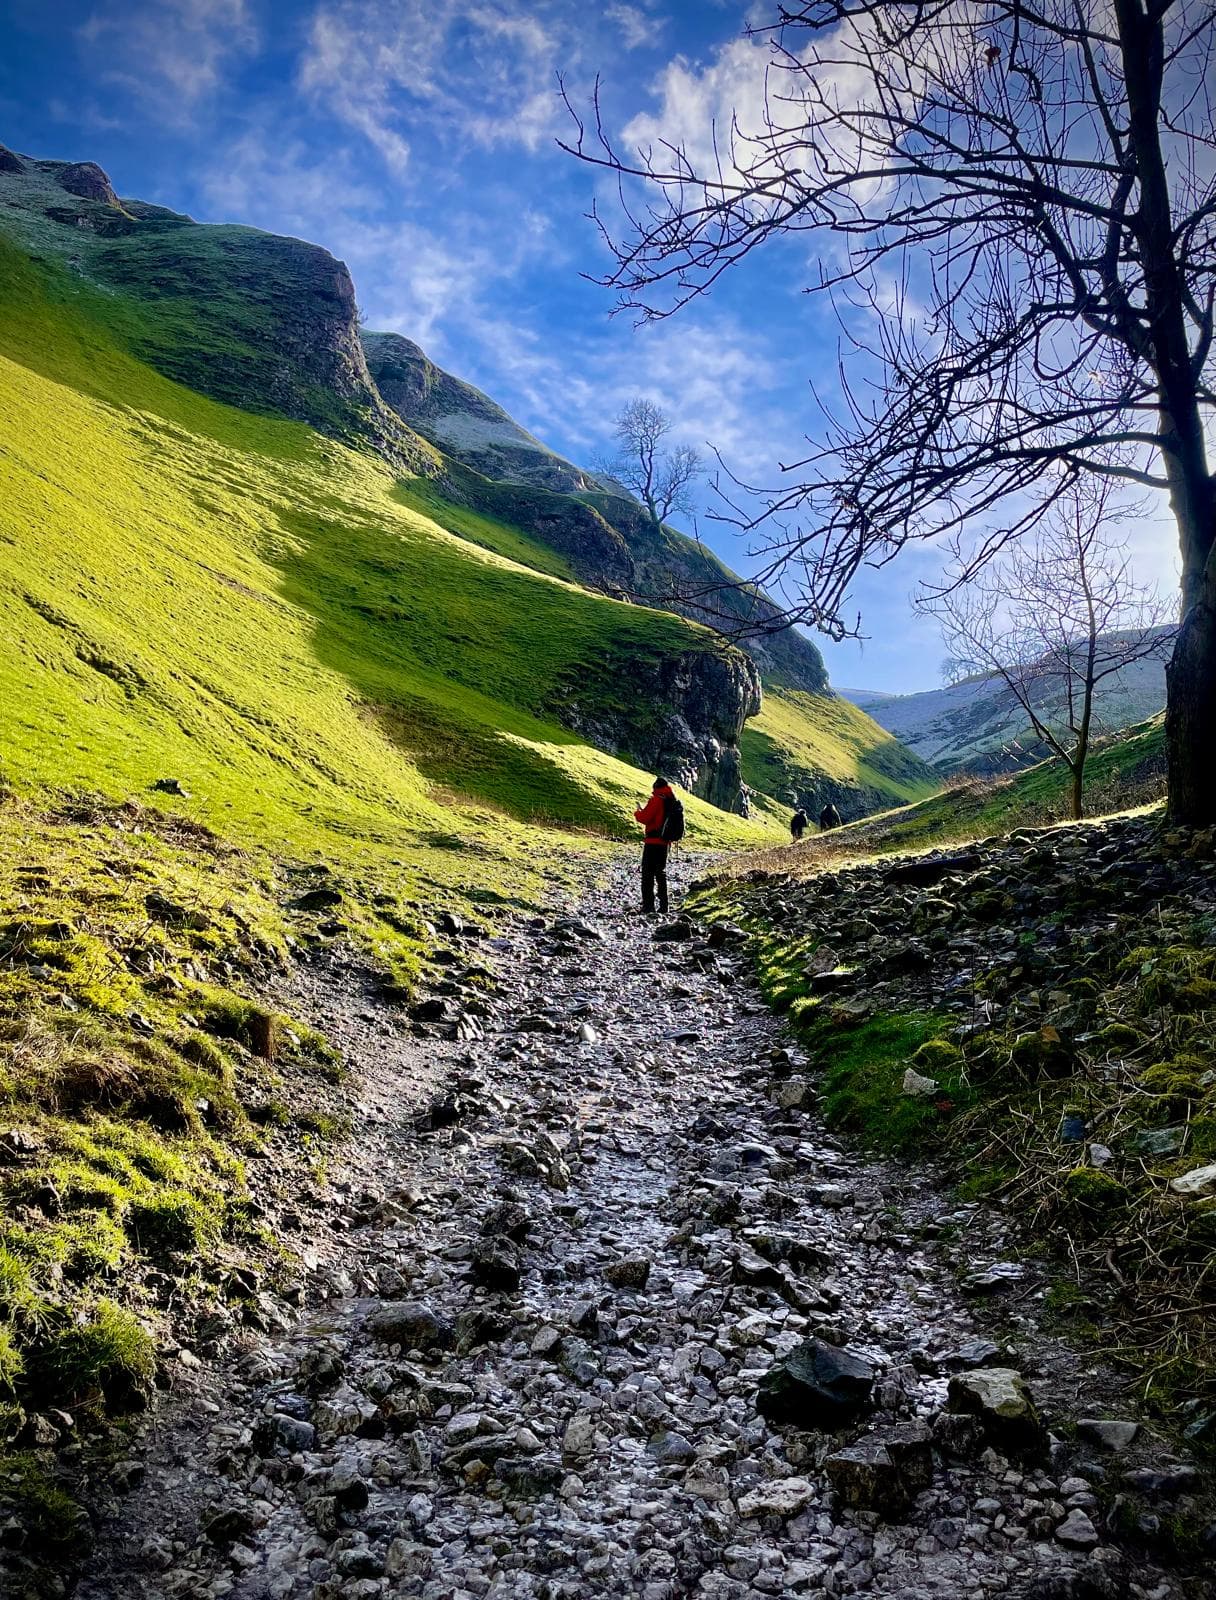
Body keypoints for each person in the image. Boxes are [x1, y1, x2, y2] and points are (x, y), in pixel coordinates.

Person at [634, 777, 677, 914]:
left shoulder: (657, 799)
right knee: (661, 873)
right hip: (665, 843)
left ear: (656, 787)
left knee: (648, 874)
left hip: (653, 842)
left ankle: (648, 906)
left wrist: (637, 812)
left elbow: (645, 818)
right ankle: (664, 906)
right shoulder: (671, 800)